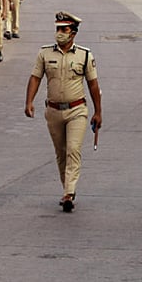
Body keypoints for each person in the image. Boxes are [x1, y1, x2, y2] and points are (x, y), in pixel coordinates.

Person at [24, 11, 102, 213]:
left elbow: (93, 85)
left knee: (73, 150)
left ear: (73, 33)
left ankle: (69, 192)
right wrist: (29, 101)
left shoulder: (85, 55)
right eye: (58, 29)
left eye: (64, 29)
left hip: (77, 110)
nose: (60, 33)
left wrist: (98, 112)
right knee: (61, 153)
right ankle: (66, 188)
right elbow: (35, 78)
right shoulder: (44, 53)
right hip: (53, 110)